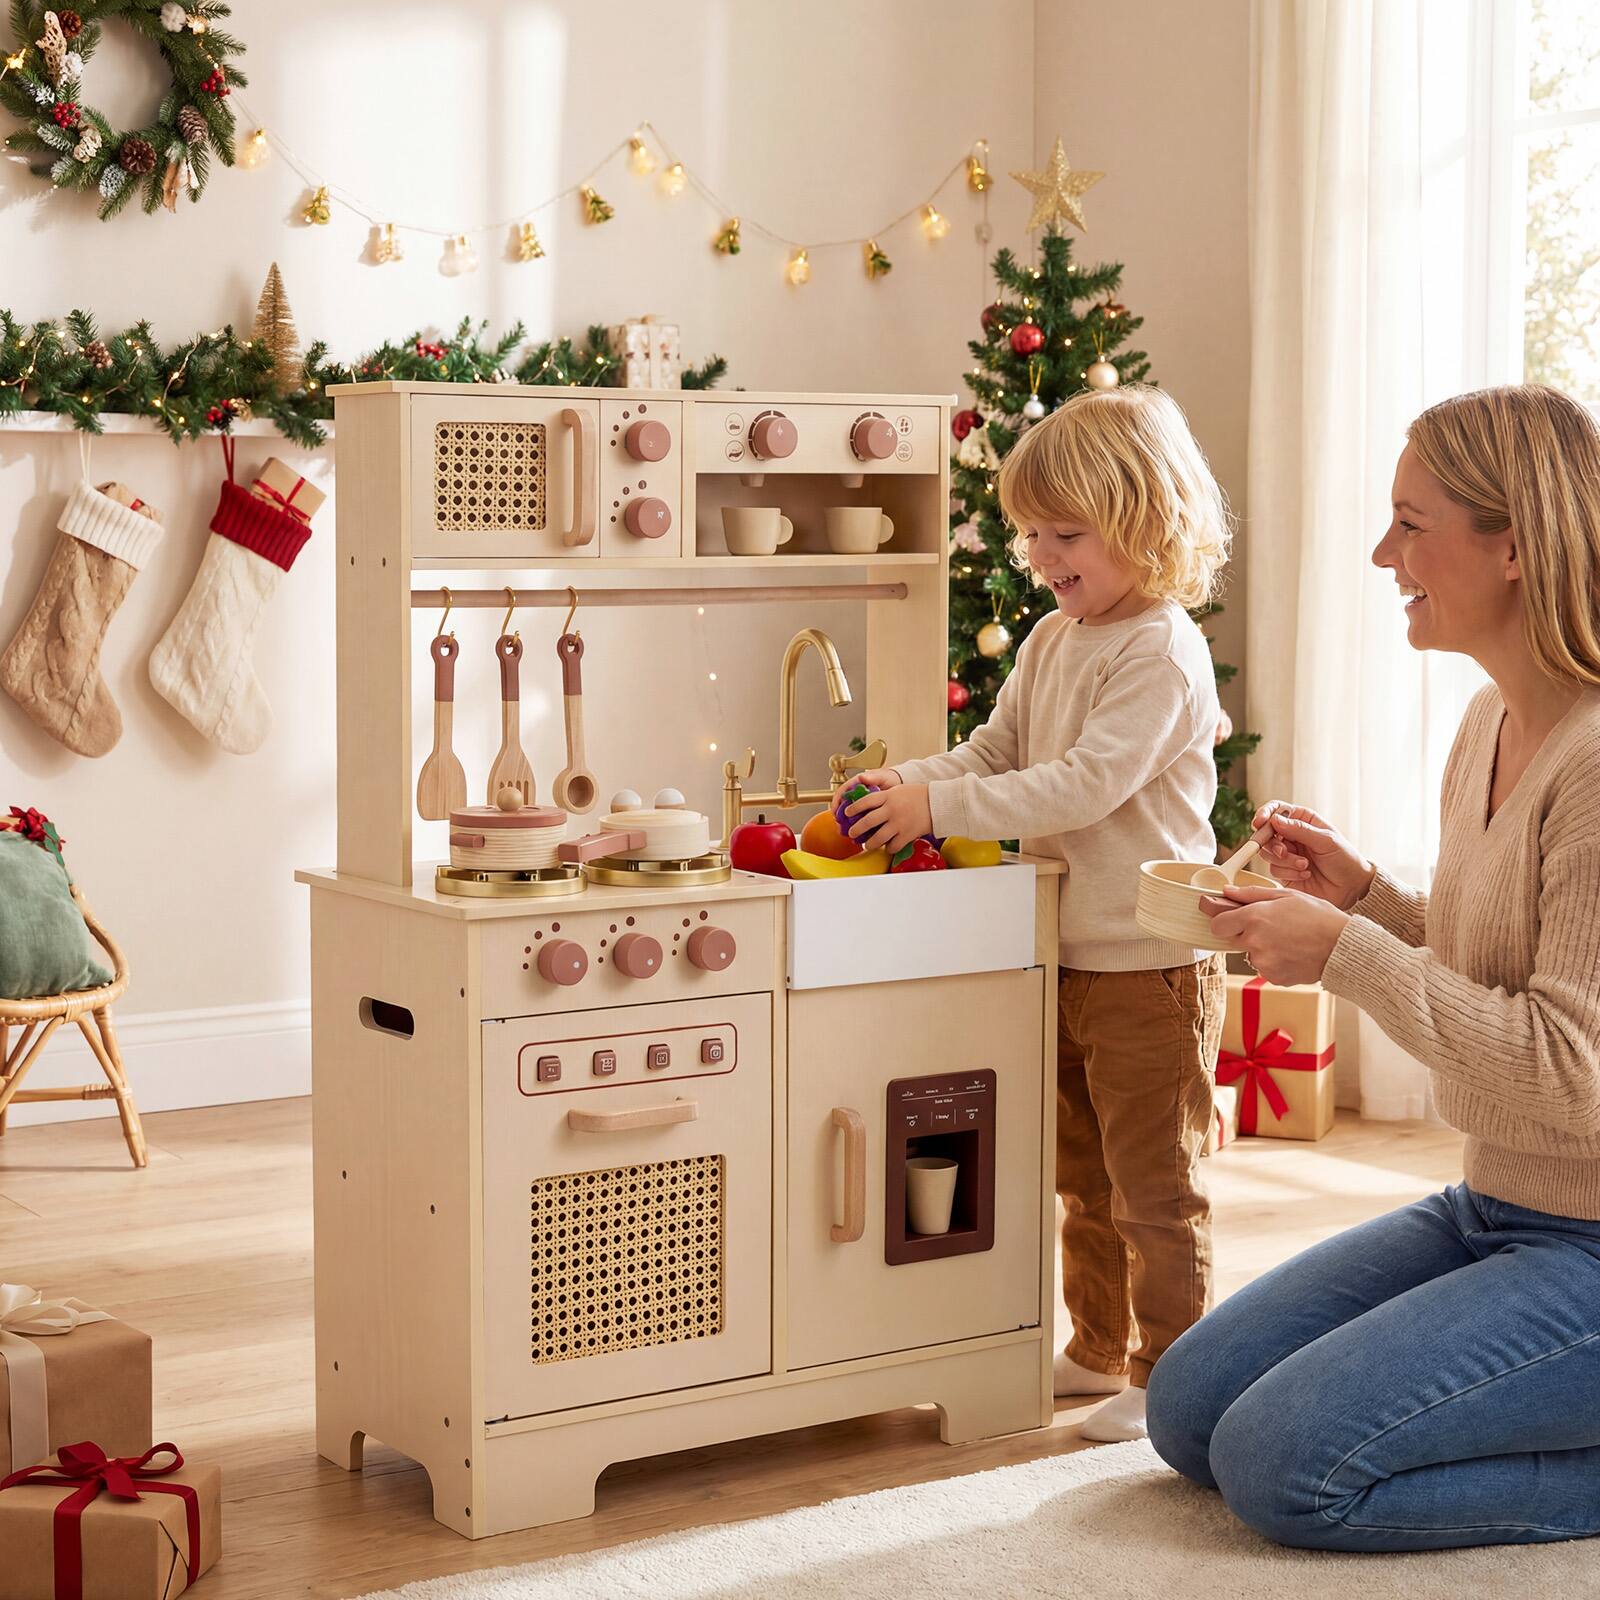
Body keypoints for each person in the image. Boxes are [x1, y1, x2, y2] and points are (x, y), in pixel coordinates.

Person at [1147, 384, 1600, 1551]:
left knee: (1283, 1466)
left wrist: (1346, 953)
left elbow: (1569, 1067)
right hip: (1496, 1203)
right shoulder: (1487, 727)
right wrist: (1366, 900)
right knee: (1190, 1411)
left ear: (1511, 544)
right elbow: (1488, 968)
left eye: (1410, 523)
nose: (1378, 552)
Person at [841, 385, 1229, 1442]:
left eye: (1067, 533)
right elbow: (995, 756)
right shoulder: (1056, 639)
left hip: (1149, 962)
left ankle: (1169, 1374)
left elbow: (1081, 785)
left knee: (1155, 1181)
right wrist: (902, 786)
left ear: (1146, 523)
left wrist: (943, 805)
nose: (1043, 556)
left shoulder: (1158, 649)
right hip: (1063, 957)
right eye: (1030, 536)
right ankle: (1099, 1349)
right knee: (1079, 1173)